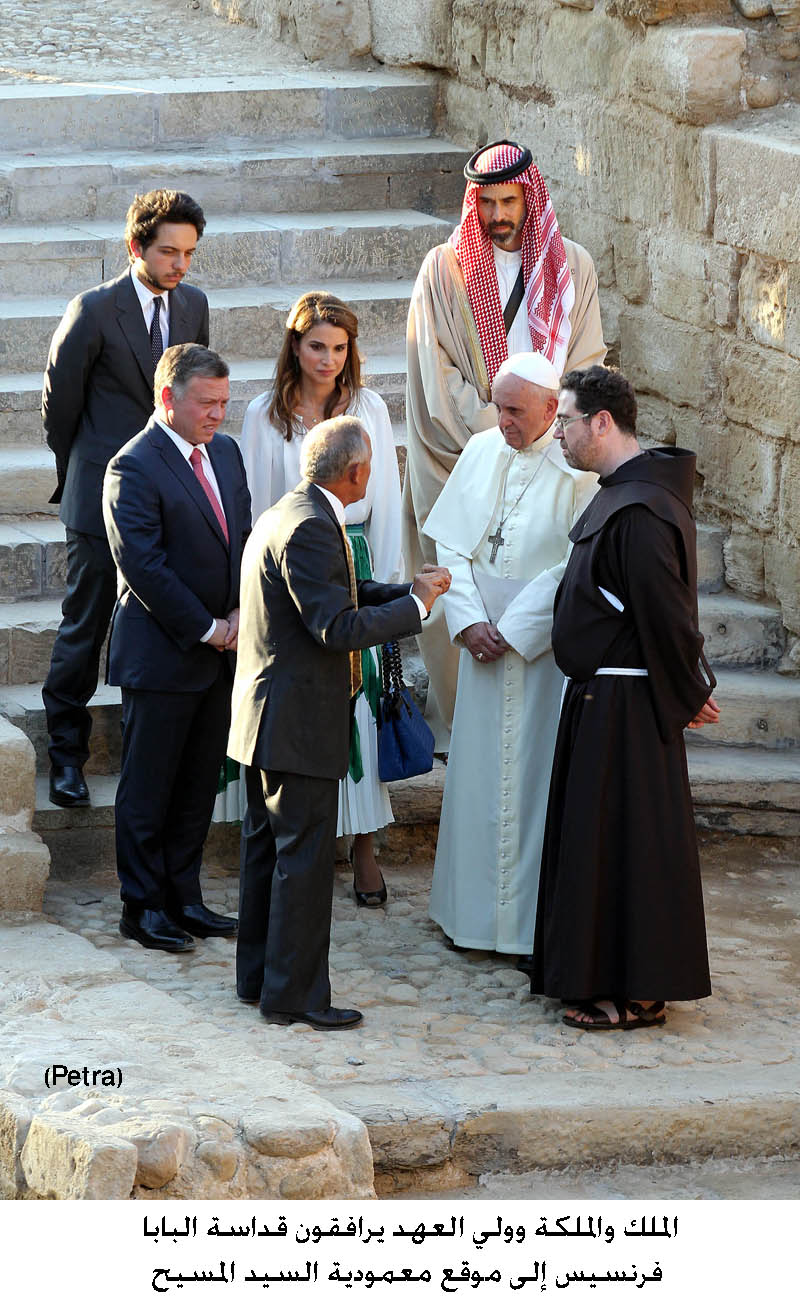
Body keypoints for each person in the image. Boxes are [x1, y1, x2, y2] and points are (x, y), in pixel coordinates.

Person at [229, 416, 450, 1030]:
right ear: (356, 473)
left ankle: (260, 980)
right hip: (295, 724)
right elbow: (336, 628)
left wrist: (405, 590)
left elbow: (342, 592)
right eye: (372, 466)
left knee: (267, 857)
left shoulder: (289, 513)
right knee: (300, 862)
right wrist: (416, 608)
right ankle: (295, 997)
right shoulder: (311, 529)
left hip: (268, 720)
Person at [530, 366, 720, 1029]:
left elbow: (667, 615)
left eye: (565, 421)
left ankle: (637, 992)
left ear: (601, 422)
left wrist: (690, 689)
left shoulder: (640, 510)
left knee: (628, 850)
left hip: (627, 712)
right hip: (603, 705)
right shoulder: (625, 493)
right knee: (605, 847)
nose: (557, 434)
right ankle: (607, 976)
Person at [403, 139, 606, 751]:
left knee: (552, 575)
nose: (497, 215)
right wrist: (506, 435)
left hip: (555, 447)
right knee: (457, 578)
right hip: (463, 450)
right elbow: (435, 376)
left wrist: (550, 434)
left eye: (508, 200)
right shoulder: (444, 269)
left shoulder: (574, 265)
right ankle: (461, 722)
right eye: (486, 202)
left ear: (531, 194)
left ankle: (546, 723)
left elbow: (587, 360)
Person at [423, 352, 597, 954]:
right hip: (482, 652)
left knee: (533, 784)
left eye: (516, 411)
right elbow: (452, 542)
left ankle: (526, 929)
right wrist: (469, 620)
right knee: (476, 782)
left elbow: (574, 564)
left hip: (540, 655)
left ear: (553, 409)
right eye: (498, 406)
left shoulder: (580, 470)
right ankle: (469, 916)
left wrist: (515, 630)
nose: (503, 421)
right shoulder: (481, 451)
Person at [42, 189, 209, 808]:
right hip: (96, 496)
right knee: (85, 625)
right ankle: (66, 756)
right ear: (135, 245)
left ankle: (155, 758)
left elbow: (190, 399)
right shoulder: (92, 310)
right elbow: (60, 408)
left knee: (159, 625)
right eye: (169, 251)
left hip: (168, 497)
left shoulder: (193, 305)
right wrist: (82, 474)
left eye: (189, 252)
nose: (180, 265)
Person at [238, 291, 401, 904]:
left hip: (352, 558)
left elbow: (381, 499)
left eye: (339, 348)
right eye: (316, 346)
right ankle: (292, 842)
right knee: (303, 703)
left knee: (357, 704)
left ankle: (363, 846)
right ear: (294, 346)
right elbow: (254, 506)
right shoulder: (265, 412)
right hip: (289, 566)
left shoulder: (371, 409)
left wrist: (385, 589)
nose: (328, 359)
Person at [102, 344, 251, 954]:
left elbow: (242, 536)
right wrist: (208, 628)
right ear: (169, 398)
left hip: (224, 651)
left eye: (224, 402)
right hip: (165, 653)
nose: (218, 414)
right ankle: (142, 906)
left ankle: (184, 896)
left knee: (197, 784)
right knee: (149, 786)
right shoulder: (133, 465)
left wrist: (242, 609)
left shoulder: (229, 453)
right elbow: (144, 565)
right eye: (207, 403)